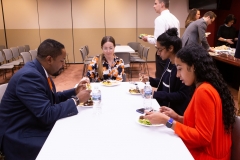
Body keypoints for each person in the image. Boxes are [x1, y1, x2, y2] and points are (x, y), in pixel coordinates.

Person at [0, 39, 92, 160]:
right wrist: (76, 99)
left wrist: (74, 91)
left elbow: (51, 98)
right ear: (49, 59)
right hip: (18, 133)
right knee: (66, 145)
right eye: (61, 60)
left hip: (31, 122)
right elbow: (47, 113)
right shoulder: (29, 77)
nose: (63, 64)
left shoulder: (38, 70)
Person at [144, 44, 236, 160]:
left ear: (193, 67)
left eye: (180, 69)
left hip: (208, 155)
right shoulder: (206, 86)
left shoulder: (204, 91)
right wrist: (177, 117)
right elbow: (202, 124)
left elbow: (203, 137)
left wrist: (167, 121)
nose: (177, 75)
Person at [140, 28, 193, 116]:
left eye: (160, 49)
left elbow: (182, 95)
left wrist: (156, 94)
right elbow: (164, 82)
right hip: (163, 108)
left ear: (170, 48)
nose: (158, 53)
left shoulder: (181, 67)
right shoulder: (169, 61)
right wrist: (150, 80)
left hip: (175, 112)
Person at [142, 0, 180, 78]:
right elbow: (175, 37)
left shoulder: (160, 19)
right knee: (171, 77)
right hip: (174, 53)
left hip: (164, 53)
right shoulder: (175, 19)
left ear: (162, 4)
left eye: (155, 4)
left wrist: (147, 39)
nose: (154, 6)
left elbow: (158, 41)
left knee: (161, 77)